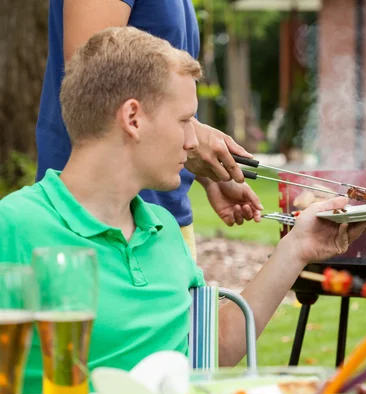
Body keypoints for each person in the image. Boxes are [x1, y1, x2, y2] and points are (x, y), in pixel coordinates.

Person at [0, 27, 366, 394]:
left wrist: (298, 247)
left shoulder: (161, 227)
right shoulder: (14, 226)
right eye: (185, 121)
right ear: (133, 119)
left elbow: (211, 348)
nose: (192, 142)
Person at [36, 0, 259, 260]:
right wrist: (196, 135)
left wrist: (206, 171)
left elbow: (163, 94)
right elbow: (89, 78)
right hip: (94, 222)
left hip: (161, 219)